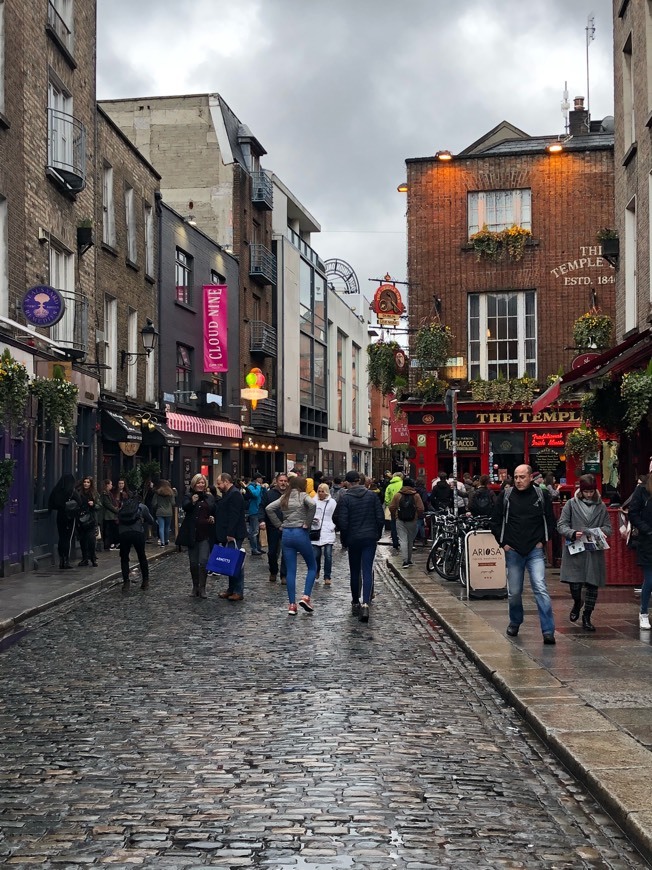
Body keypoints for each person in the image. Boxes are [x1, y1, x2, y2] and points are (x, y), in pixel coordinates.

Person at [490, 464, 557, 644]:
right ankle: (515, 621)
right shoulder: (506, 496)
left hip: (534, 550)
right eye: (516, 477)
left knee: (540, 588)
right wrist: (503, 543)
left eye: (522, 477)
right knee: (514, 592)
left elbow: (551, 521)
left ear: (530, 478)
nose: (518, 480)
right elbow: (495, 521)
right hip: (513, 550)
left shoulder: (541, 496)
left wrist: (543, 540)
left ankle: (548, 630)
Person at [556, 474, 611, 632]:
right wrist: (572, 533)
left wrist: (600, 531)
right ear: (581, 490)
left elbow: (608, 527)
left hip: (593, 551)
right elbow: (561, 524)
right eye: (586, 491)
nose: (589, 494)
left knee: (593, 585)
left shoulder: (600, 507)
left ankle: (587, 617)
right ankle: (577, 602)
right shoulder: (571, 504)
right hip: (576, 550)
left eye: (592, 491)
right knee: (575, 584)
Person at [333, 470, 385, 623]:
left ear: (348, 482)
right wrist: (377, 534)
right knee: (367, 569)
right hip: (369, 537)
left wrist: (346, 535)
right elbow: (380, 517)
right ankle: (366, 603)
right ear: (360, 481)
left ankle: (355, 600)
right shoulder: (372, 496)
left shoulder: (345, 498)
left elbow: (341, 520)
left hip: (354, 538)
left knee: (355, 570)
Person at [265, 476, 317, 615]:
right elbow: (312, 505)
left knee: (291, 571)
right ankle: (306, 596)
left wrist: (278, 525)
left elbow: (269, 508)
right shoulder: (303, 496)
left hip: (287, 534)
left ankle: (292, 605)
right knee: (312, 566)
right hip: (300, 532)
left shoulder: (284, 497)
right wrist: (308, 522)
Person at [177, 473, 218, 599]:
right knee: (193, 562)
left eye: (202, 483)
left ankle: (203, 587)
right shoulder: (189, 496)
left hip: (205, 533)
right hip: (192, 533)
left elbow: (214, 510)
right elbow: (185, 507)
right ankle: (195, 586)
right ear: (194, 484)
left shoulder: (209, 497)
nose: (200, 485)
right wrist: (192, 502)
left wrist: (212, 517)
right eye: (198, 483)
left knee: (203, 561)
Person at [214, 472, 247, 601]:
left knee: (236, 562)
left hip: (234, 535)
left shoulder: (234, 494)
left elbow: (234, 515)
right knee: (230, 562)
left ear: (226, 482)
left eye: (219, 483)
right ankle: (231, 589)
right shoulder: (229, 494)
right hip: (229, 533)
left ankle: (238, 591)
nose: (218, 486)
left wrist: (230, 533)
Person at [627, 474, 652, 630]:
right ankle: (643, 612)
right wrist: (647, 530)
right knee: (650, 579)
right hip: (648, 541)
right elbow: (633, 513)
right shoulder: (642, 491)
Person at [118, 491, 155, 591]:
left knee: (124, 558)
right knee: (142, 556)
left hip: (123, 533)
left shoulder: (122, 506)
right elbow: (151, 520)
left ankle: (126, 582)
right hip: (137, 533)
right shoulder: (142, 507)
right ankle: (145, 581)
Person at [388, 477, 424, 568]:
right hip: (412, 520)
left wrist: (394, 515)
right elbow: (421, 508)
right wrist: (417, 515)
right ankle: (409, 559)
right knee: (410, 540)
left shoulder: (397, 495)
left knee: (403, 540)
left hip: (400, 520)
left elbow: (391, 507)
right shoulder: (416, 495)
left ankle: (405, 561)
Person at [48, 473, 81, 569]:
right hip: (70, 517)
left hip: (60, 516)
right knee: (68, 539)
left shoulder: (57, 490)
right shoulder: (72, 491)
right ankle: (66, 560)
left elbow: (52, 503)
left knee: (61, 538)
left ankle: (61, 560)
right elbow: (79, 502)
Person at [261, 472, 289, 583]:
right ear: (276, 482)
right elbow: (262, 507)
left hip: (287, 526)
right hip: (273, 527)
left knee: (286, 552)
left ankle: (284, 575)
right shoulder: (269, 494)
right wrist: (261, 520)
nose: (283, 483)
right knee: (272, 552)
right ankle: (273, 571)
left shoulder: (290, 494)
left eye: (285, 481)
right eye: (281, 481)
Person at [311, 482, 337, 585]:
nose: (321, 493)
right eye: (319, 491)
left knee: (328, 555)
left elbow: (335, 515)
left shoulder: (332, 502)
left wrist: (333, 525)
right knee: (316, 555)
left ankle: (327, 576)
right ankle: (316, 570)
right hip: (316, 530)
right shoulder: (313, 501)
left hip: (328, 530)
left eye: (323, 491)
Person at [76, 476, 99, 567]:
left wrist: (93, 504)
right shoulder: (79, 493)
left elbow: (99, 506)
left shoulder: (94, 493)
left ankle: (93, 558)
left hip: (91, 520)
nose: (86, 483)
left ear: (91, 484)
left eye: (88, 482)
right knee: (82, 540)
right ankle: (85, 558)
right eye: (85, 482)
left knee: (91, 540)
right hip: (80, 520)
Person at [245, 473, 265, 555]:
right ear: (257, 479)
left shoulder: (259, 486)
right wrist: (259, 487)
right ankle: (254, 549)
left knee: (259, 531)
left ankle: (258, 547)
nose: (262, 480)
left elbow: (263, 495)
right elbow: (255, 495)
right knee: (254, 531)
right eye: (261, 478)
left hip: (259, 510)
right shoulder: (251, 487)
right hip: (254, 511)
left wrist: (263, 488)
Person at [151, 479, 176, 547]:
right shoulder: (171, 493)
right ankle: (166, 540)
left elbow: (154, 503)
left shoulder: (157, 493)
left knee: (161, 527)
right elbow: (173, 503)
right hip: (168, 512)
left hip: (160, 511)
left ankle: (162, 542)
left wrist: (158, 505)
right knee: (167, 527)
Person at [384, 472, 404, 549]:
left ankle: (395, 542)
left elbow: (386, 499)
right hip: (403, 507)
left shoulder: (390, 485)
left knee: (393, 525)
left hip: (393, 508)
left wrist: (390, 505)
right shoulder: (403, 484)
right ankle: (403, 542)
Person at [101, 479, 119, 551]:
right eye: (111, 484)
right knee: (108, 531)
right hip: (107, 515)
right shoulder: (104, 494)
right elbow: (108, 504)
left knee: (111, 531)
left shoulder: (109, 493)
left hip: (111, 515)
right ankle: (107, 545)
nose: (111, 486)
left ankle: (111, 544)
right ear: (107, 485)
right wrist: (116, 510)